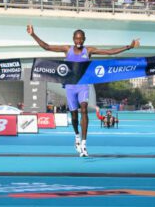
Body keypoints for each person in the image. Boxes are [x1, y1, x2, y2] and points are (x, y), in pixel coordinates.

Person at [27, 25, 139, 157]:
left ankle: (84, 144)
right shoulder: (67, 49)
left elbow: (109, 52)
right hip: (70, 86)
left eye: (81, 39)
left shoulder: (89, 50)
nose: (78, 41)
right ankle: (76, 137)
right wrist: (32, 34)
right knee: (74, 116)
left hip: (83, 85)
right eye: (76, 39)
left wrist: (129, 46)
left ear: (84, 39)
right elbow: (46, 47)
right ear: (73, 39)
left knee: (84, 109)